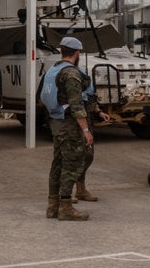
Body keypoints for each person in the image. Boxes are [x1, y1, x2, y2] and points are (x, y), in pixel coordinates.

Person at [39, 36, 110, 221]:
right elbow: (77, 106)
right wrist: (86, 131)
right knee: (71, 165)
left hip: (56, 121)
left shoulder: (53, 70)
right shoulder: (71, 74)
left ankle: (52, 206)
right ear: (77, 53)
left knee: (58, 164)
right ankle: (66, 207)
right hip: (69, 126)